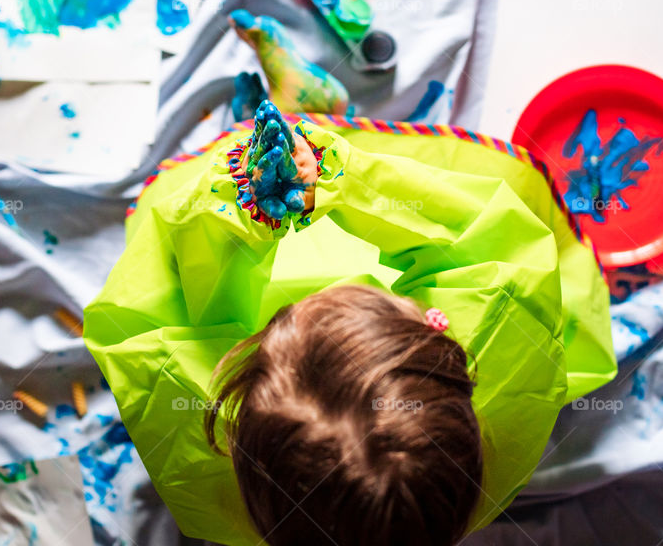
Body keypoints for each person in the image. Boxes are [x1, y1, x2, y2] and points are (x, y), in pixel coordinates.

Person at [84, 101, 616, 546]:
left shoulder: (196, 428)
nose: (330, 293)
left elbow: (146, 313)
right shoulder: (493, 369)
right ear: (443, 343)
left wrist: (227, 210)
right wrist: (343, 181)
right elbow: (491, 244)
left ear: (236, 386)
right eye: (390, 309)